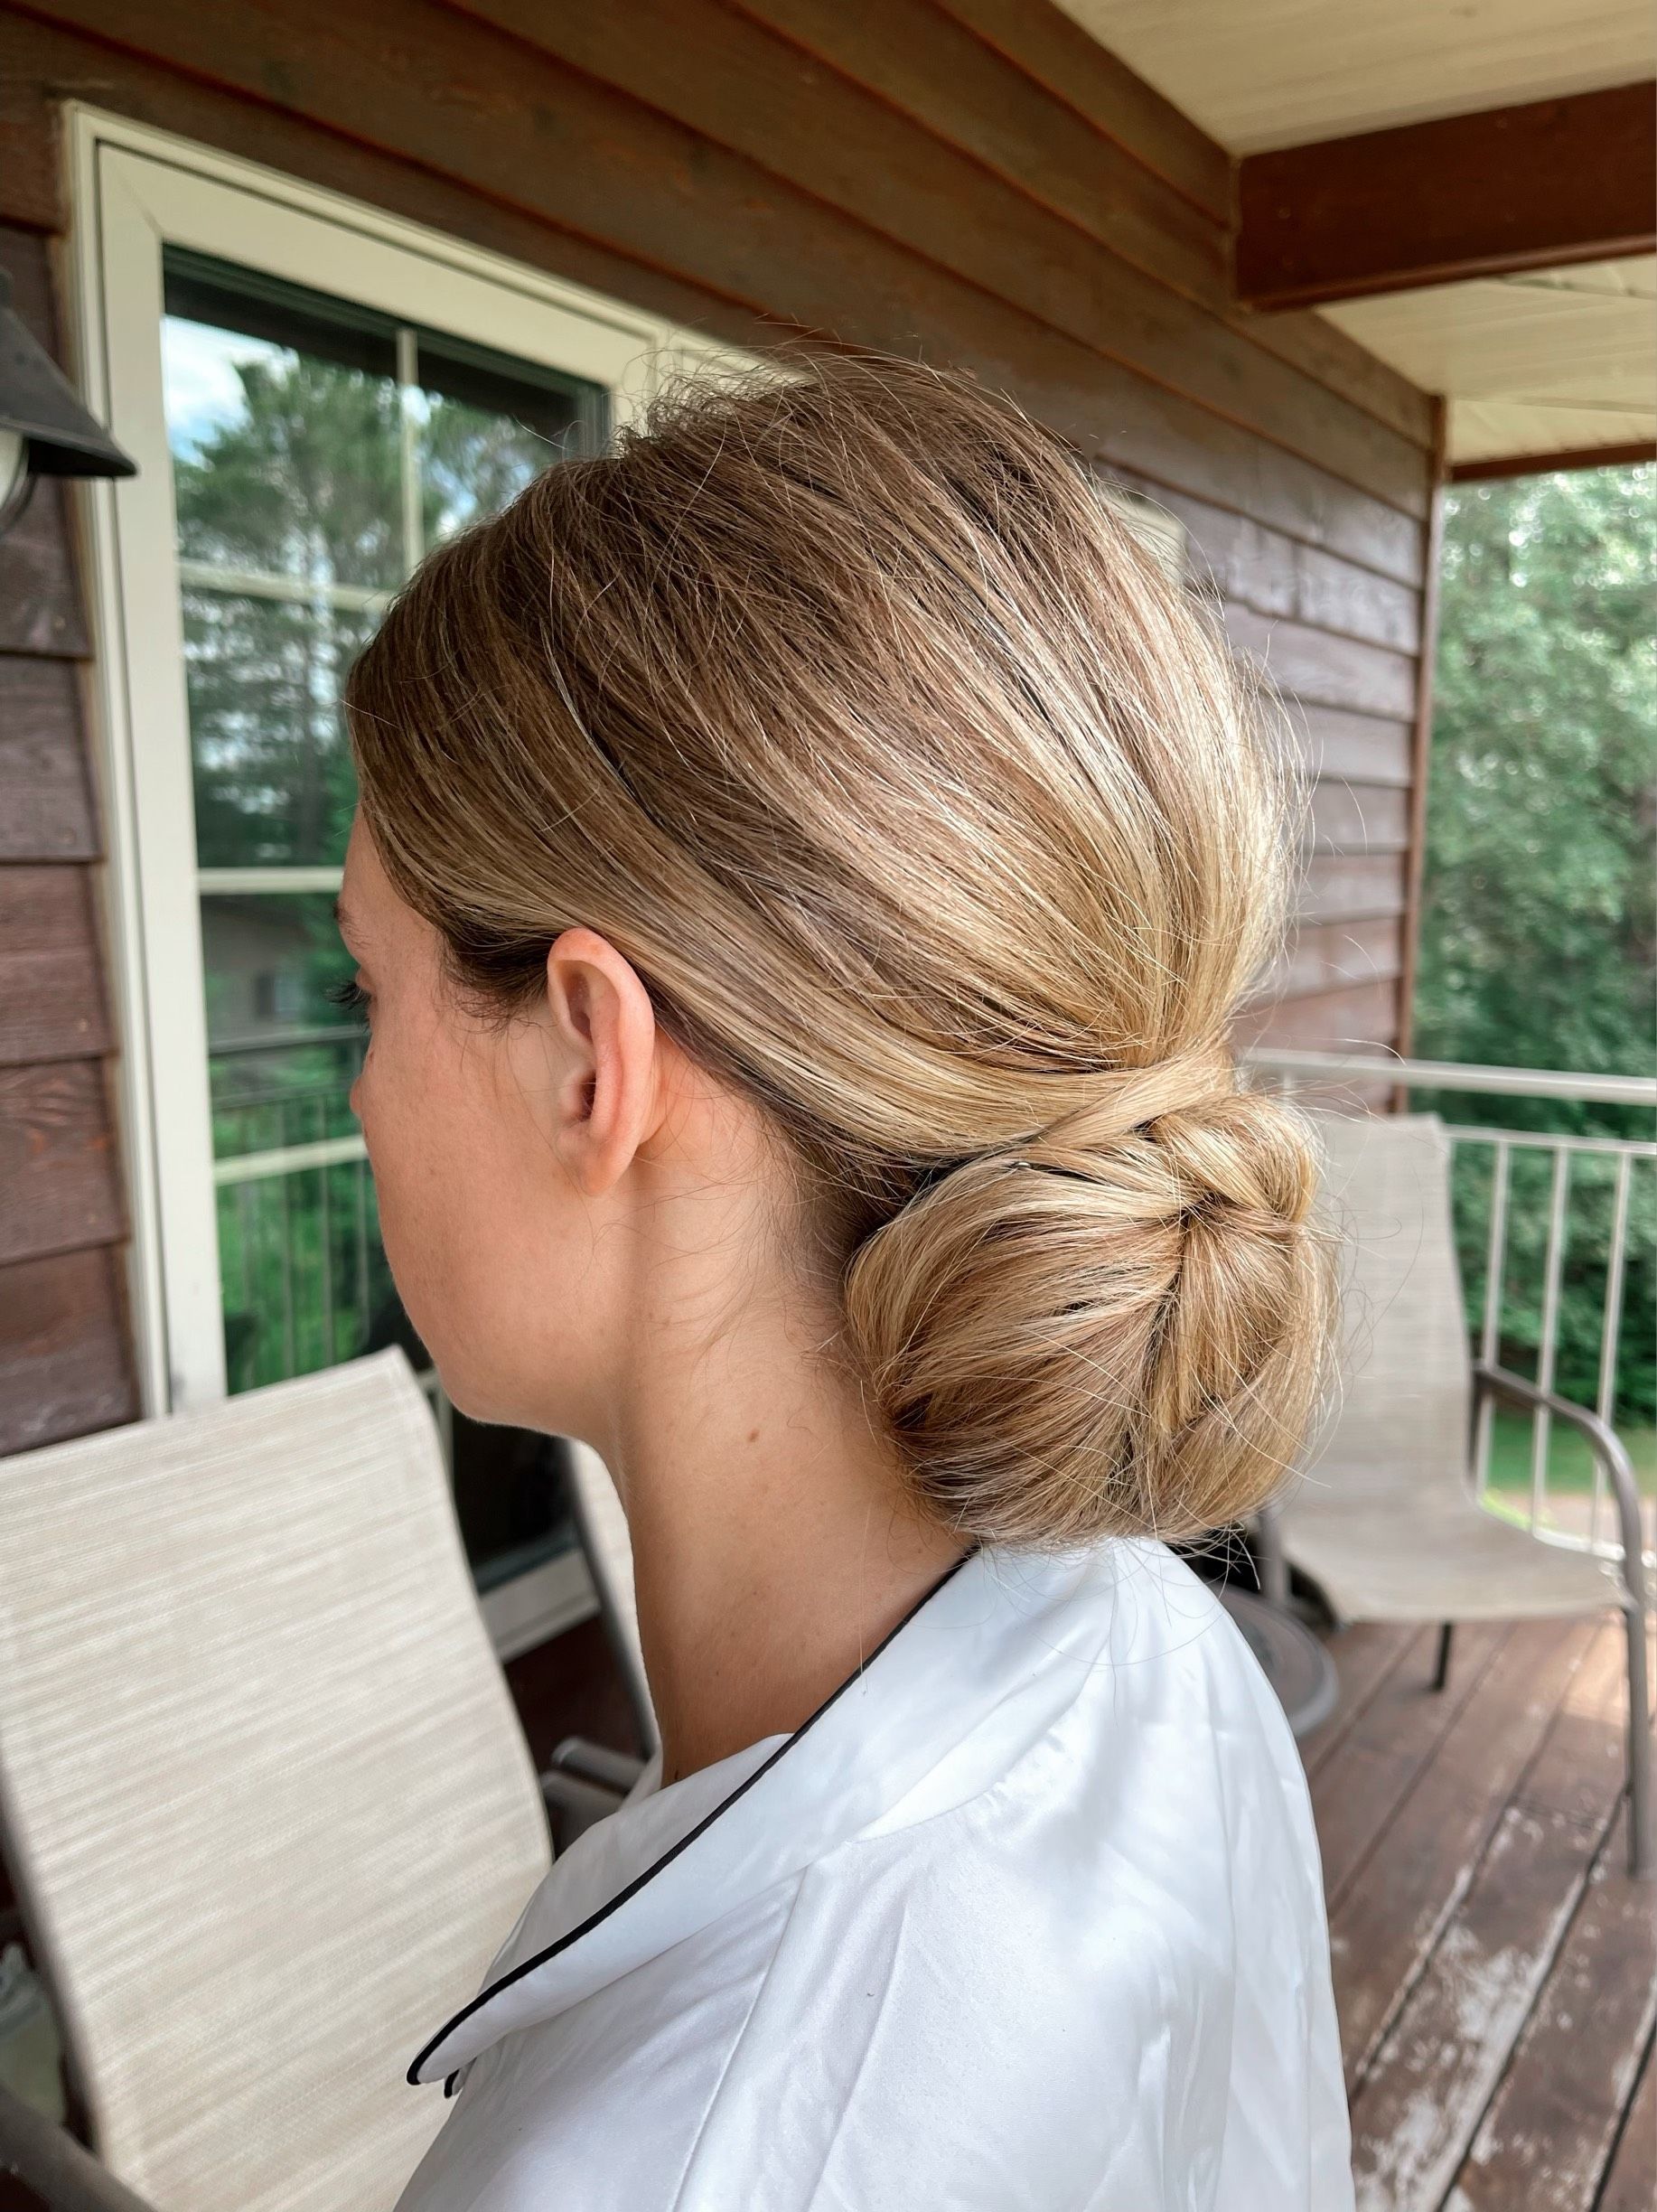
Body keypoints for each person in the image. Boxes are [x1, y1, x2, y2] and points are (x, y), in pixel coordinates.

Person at [336, 351, 1354, 2210]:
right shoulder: (1158, 1653)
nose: (356, 1091)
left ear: (588, 1063)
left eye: (368, 992)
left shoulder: (658, 2165)